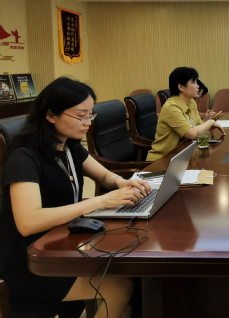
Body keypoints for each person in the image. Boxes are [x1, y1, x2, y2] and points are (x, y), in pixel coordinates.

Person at [0, 77, 152, 318]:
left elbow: (104, 175)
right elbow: (28, 222)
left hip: (60, 244)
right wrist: (98, 201)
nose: (88, 122)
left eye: (91, 115)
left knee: (126, 269)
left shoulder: (69, 145)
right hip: (30, 261)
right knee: (120, 285)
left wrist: (121, 182)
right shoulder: (24, 157)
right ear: (51, 115)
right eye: (81, 116)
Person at [147, 67, 225, 162]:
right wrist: (211, 122)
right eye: (194, 82)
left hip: (183, 156)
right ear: (181, 87)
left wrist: (206, 123)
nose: (197, 86)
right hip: (162, 161)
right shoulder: (171, 107)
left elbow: (199, 127)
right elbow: (191, 134)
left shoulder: (191, 102)